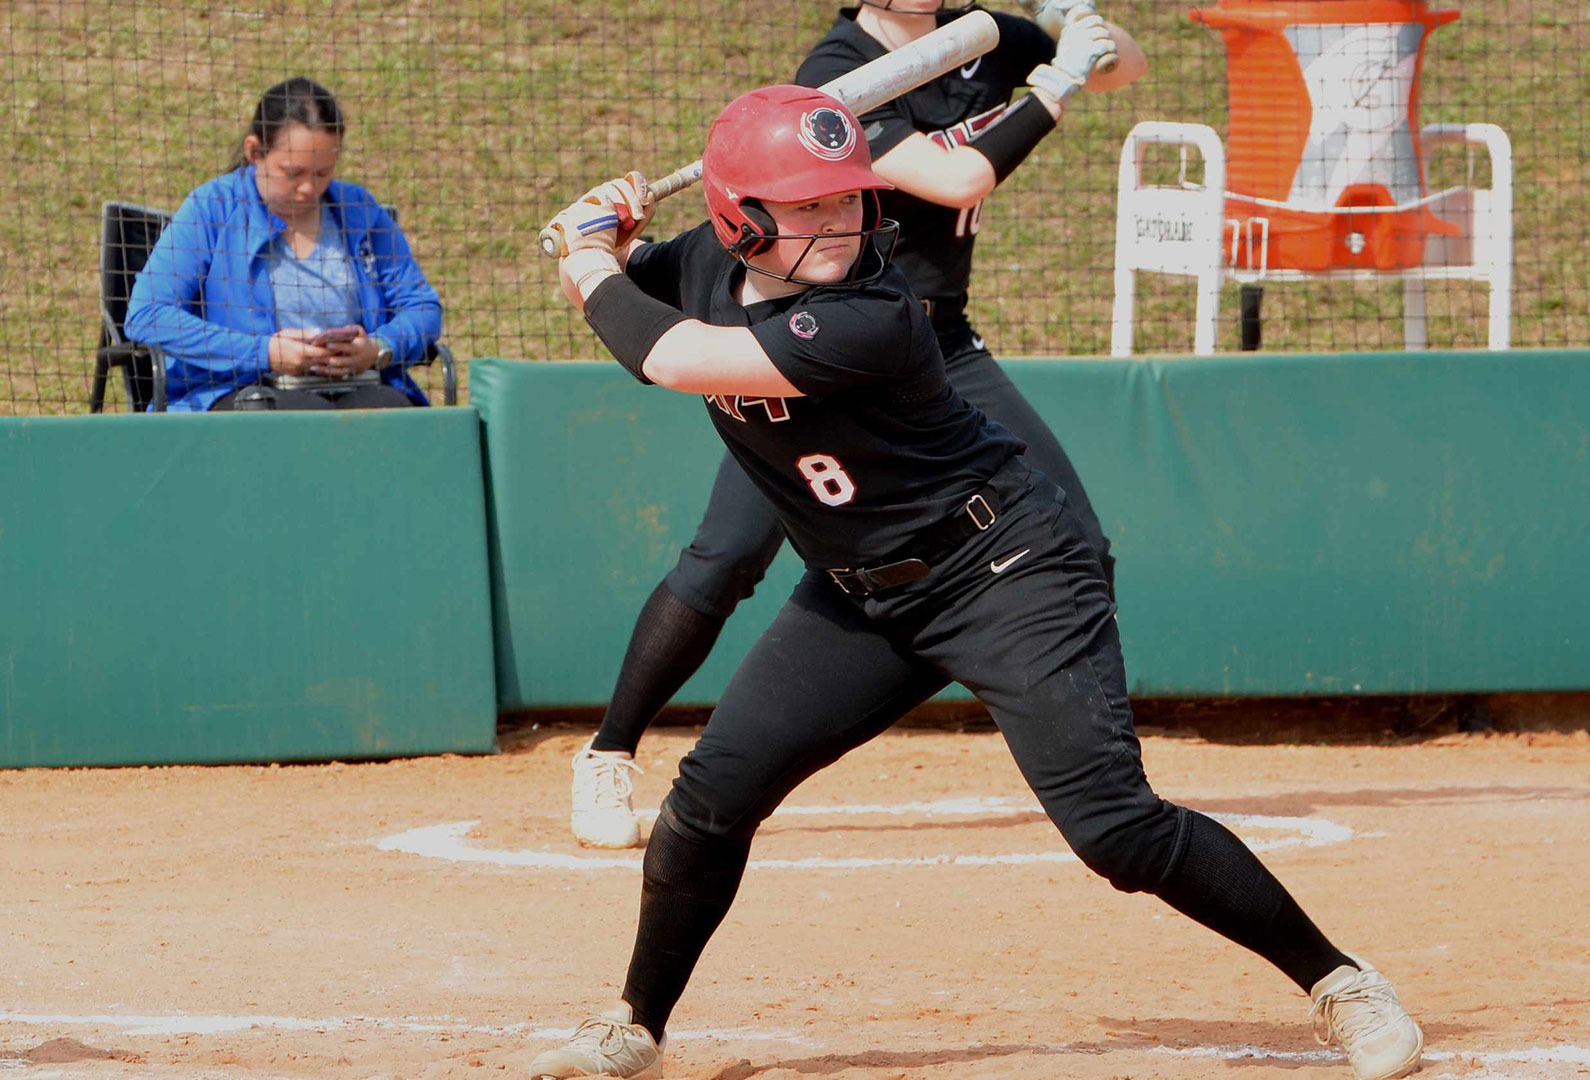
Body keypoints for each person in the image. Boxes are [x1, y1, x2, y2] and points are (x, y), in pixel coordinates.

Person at [526, 84, 1424, 1080]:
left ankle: (1344, 984)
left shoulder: (874, 312)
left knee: (1115, 829)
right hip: (861, 596)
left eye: (846, 200)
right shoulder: (698, 262)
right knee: (711, 798)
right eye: (806, 205)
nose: (839, 222)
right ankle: (635, 1024)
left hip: (1005, 569)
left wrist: (583, 254)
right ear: (739, 218)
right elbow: (627, 289)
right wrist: (600, 232)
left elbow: (667, 352)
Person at [566, 0, 1146, 852]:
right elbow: (958, 180)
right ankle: (609, 749)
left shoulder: (984, 34)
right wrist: (1053, 92)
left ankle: (1088, 752)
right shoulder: (832, 74)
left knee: (1079, 539)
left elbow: (1126, 65)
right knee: (728, 555)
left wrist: (1079, 23)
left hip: (932, 341)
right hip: (814, 346)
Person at [125, 77, 441, 412]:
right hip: (239, 389)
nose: (308, 188)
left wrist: (379, 349)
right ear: (254, 152)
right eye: (294, 173)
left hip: (357, 386)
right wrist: (265, 353)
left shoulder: (360, 209)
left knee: (392, 415)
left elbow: (423, 307)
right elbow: (147, 315)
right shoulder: (211, 207)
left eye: (323, 173)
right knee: (302, 420)